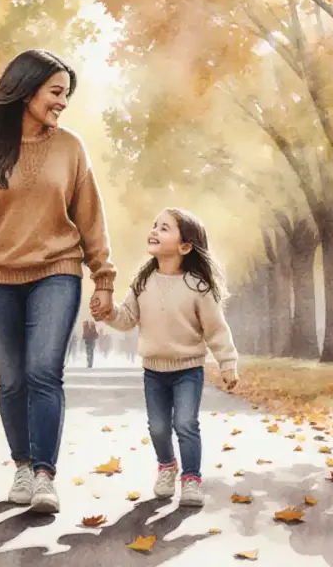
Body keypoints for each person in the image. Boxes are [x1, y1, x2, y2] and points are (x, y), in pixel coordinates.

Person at [0, 50, 116, 515]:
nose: (62, 103)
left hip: (57, 271)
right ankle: (21, 464)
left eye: (66, 94)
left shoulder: (71, 148)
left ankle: (43, 475)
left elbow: (90, 217)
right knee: (12, 379)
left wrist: (103, 276)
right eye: (56, 92)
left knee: (42, 371)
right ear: (27, 89)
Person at [96, 208, 238, 508]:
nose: (155, 231)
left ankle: (191, 479)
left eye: (164, 228)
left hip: (188, 369)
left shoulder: (198, 287)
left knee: (186, 423)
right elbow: (127, 318)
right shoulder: (143, 282)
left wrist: (227, 364)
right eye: (154, 226)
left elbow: (216, 330)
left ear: (185, 247)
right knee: (158, 426)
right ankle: (167, 466)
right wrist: (108, 314)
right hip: (154, 371)